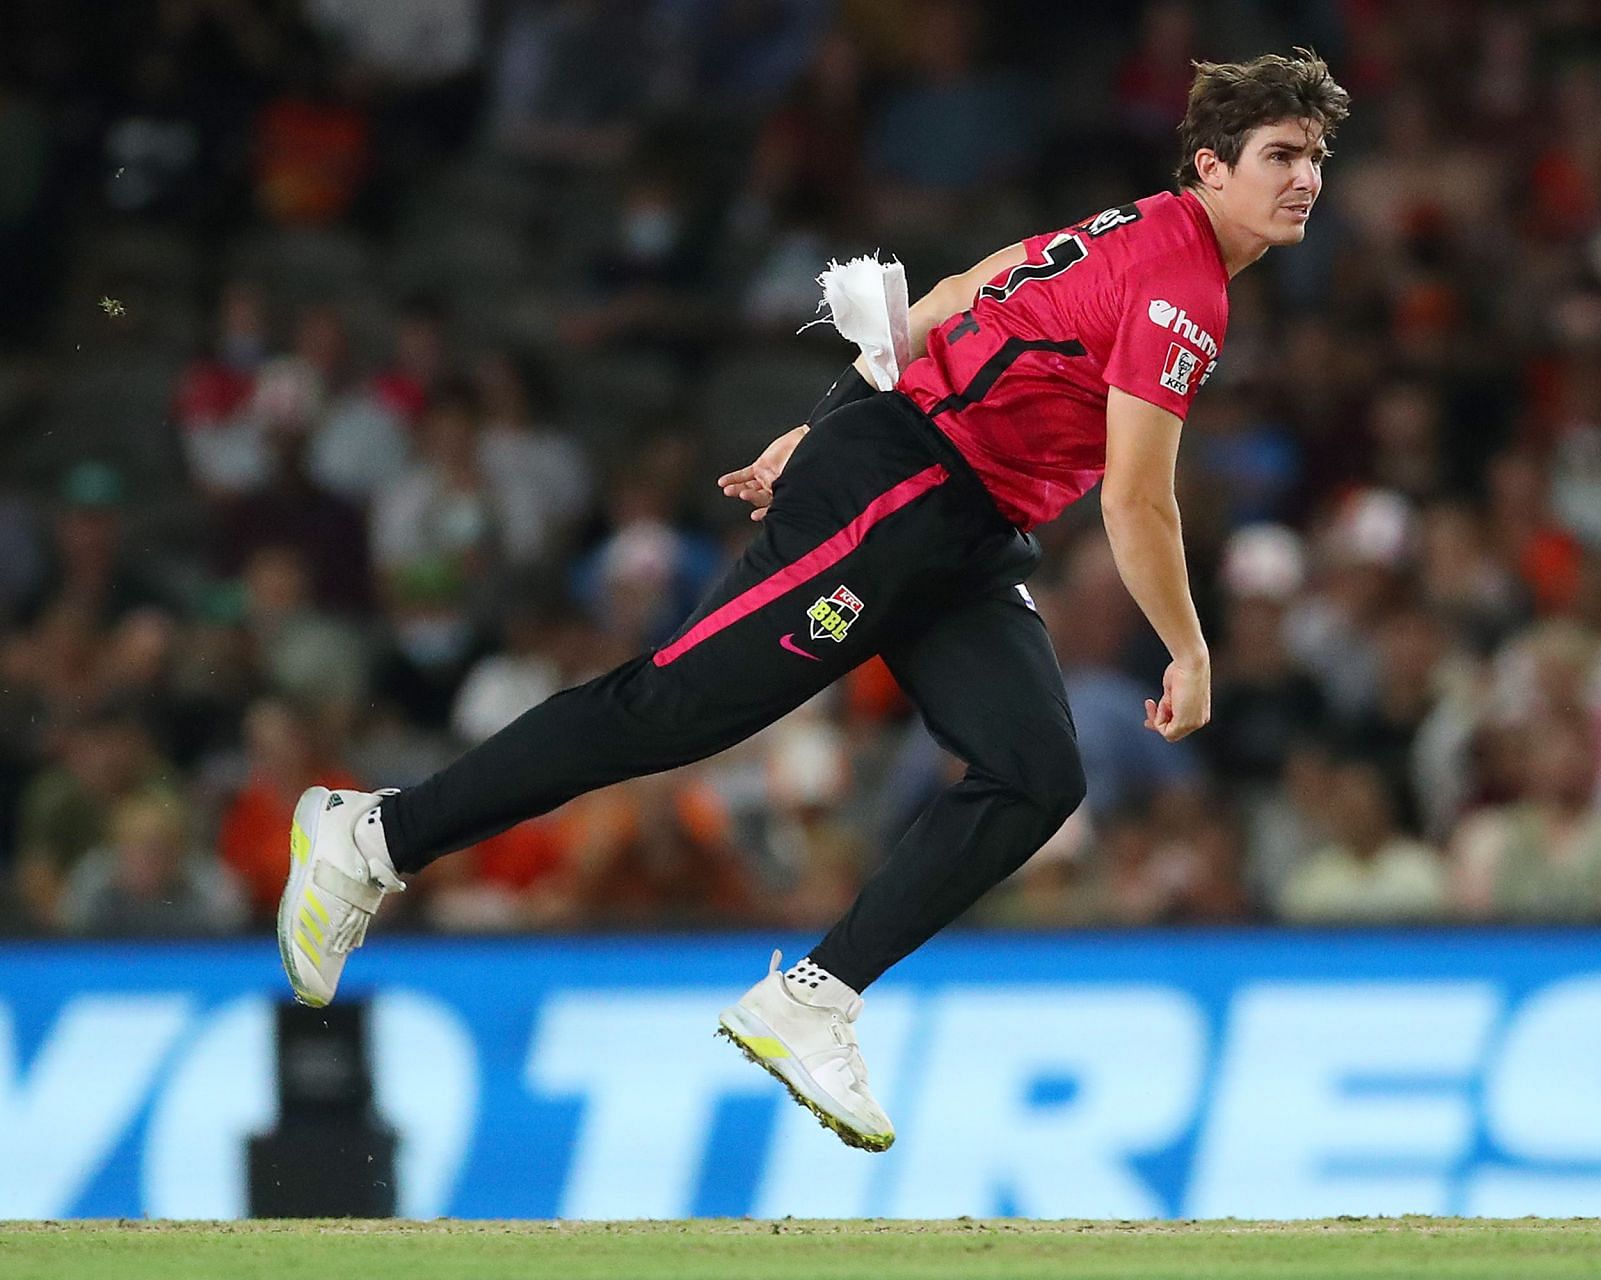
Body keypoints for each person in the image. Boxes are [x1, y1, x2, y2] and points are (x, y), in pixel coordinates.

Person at [276, 53, 1351, 1153]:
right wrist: (1190, 648)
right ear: (1211, 165)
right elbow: (1135, 498)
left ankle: (813, 997)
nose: (1306, 176)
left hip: (959, 517)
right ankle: (371, 835)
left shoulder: (1143, 227)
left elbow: (941, 302)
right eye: (1280, 154)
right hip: (907, 489)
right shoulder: (1188, 285)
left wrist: (817, 423)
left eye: (1315, 155)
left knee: (1036, 772)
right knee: (674, 708)